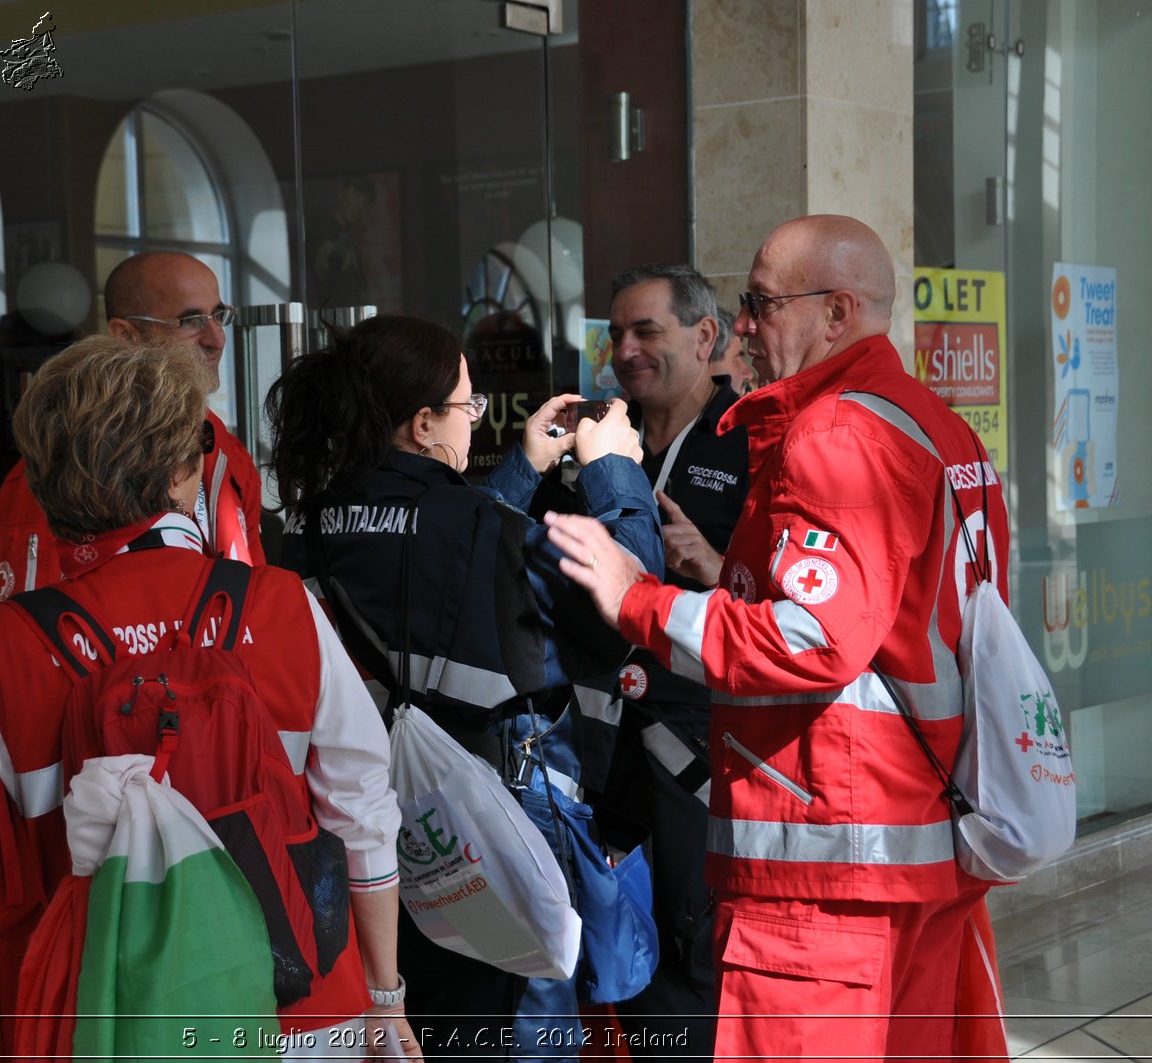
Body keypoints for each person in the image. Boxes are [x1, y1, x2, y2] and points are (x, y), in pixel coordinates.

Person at [0, 337, 418, 1061]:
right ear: (186, 474)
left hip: (112, 1019)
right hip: (305, 1014)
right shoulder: (286, 609)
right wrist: (384, 997)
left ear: (43, 481)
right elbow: (363, 814)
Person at [544, 215, 1011, 1063]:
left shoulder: (838, 434)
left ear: (835, 313)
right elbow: (894, 632)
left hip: (829, 871)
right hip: (913, 851)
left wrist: (636, 597)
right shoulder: (939, 429)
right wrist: (729, 580)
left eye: (760, 304)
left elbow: (812, 641)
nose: (745, 327)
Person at [264, 314, 664, 1061]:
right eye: (467, 406)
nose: (472, 420)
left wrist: (521, 466)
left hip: (365, 834)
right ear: (423, 423)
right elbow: (631, 603)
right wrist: (615, 468)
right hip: (490, 830)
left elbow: (443, 542)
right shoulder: (478, 522)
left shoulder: (306, 526)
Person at [595, 264, 752, 1056]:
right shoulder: (596, 443)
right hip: (599, 751)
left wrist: (717, 567)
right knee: (617, 952)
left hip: (703, 753)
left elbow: (803, 619)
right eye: (615, 334)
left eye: (645, 330)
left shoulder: (755, 443)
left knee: (697, 961)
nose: (626, 349)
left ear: (704, 335)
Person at [0, 251, 263, 610]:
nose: (217, 338)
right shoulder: (66, 466)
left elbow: (258, 605)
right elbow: (24, 639)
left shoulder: (226, 452)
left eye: (219, 316)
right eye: (191, 320)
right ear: (126, 336)